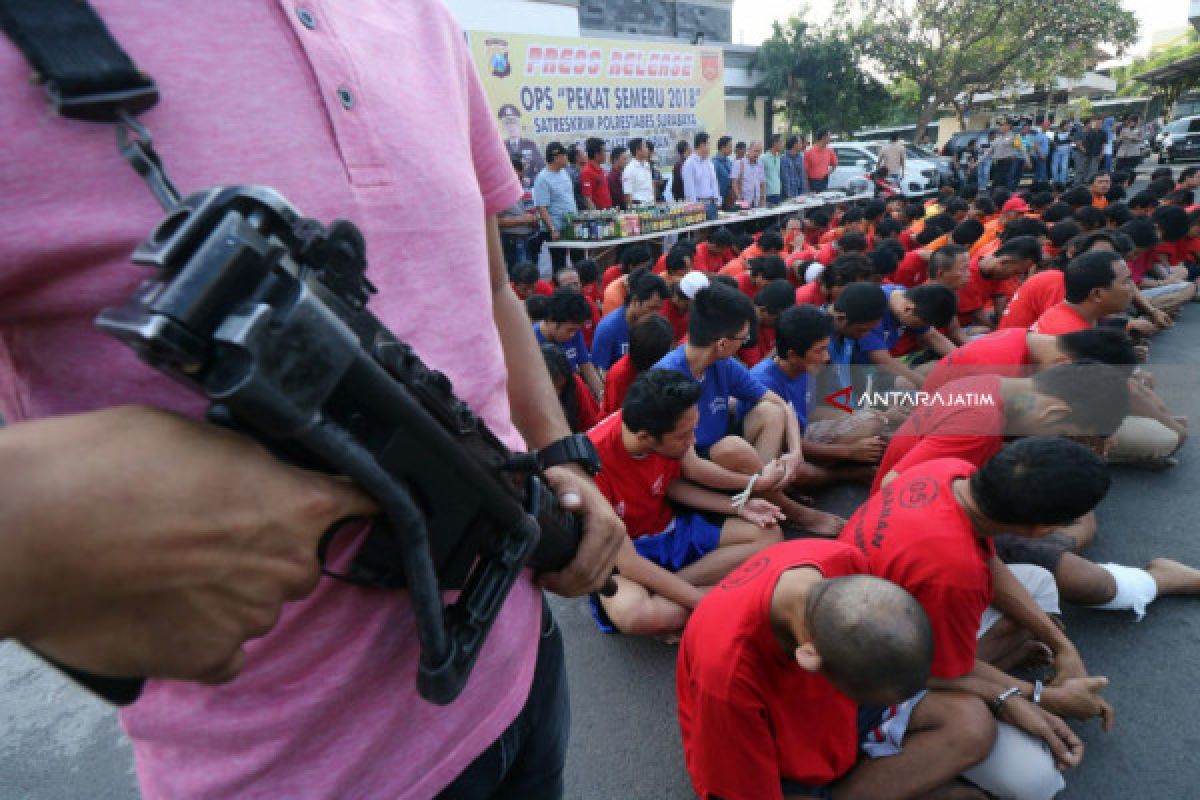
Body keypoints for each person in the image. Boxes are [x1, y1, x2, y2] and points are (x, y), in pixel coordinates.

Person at [0, 5, 626, 798]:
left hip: (520, 668)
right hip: (290, 770)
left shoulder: (424, 16)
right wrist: (28, 524)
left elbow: (491, 283)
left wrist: (563, 457)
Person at [845, 438, 1117, 800]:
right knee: (1037, 781)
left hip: (884, 613)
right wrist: (1044, 698)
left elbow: (988, 562)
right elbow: (931, 669)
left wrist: (1061, 645)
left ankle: (990, 675)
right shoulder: (951, 573)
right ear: (1041, 528)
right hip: (871, 672)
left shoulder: (949, 472)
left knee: (1039, 584)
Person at [678, 538, 995, 800]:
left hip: (842, 716)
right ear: (809, 659)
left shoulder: (844, 560)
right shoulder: (726, 673)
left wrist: (1007, 695)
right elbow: (738, 790)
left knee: (973, 726)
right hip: (775, 761)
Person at [586, 369, 785, 637]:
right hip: (625, 555)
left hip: (672, 530)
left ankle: (670, 592)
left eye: (693, 430)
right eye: (684, 436)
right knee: (635, 616)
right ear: (645, 438)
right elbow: (629, 563)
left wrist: (739, 506)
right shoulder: (590, 465)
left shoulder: (665, 423)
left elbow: (672, 485)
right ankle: (734, 596)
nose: (692, 441)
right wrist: (704, 605)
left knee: (769, 532)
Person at [654, 284, 844, 534]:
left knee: (770, 412)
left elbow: (778, 403)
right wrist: (757, 481)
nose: (745, 344)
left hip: (730, 460)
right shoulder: (668, 378)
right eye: (742, 339)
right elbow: (689, 467)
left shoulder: (722, 363)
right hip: (692, 474)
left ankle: (770, 493)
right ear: (722, 343)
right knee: (733, 447)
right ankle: (786, 505)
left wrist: (795, 452)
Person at [1032, 250, 1135, 335]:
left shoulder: (1067, 314)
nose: (1132, 288)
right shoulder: (1075, 341)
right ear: (1097, 294)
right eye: (1125, 282)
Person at [591, 269, 670, 370]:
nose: (655, 314)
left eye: (658, 309)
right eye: (652, 308)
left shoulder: (654, 325)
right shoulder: (608, 328)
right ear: (635, 300)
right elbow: (600, 372)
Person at [534, 289, 606, 400]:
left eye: (576, 330)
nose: (573, 334)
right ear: (550, 320)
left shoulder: (574, 331)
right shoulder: (532, 341)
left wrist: (603, 396)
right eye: (570, 330)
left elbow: (586, 366)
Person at [602, 314, 675, 416]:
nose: (670, 355)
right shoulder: (619, 376)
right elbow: (618, 420)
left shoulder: (666, 364)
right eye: (667, 352)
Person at [533, 141, 578, 271]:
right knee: (560, 264)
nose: (566, 158)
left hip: (571, 225)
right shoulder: (543, 178)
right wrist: (552, 229)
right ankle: (560, 289)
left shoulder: (564, 173)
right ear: (556, 157)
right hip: (556, 228)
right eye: (564, 156)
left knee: (578, 259)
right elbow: (542, 207)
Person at [541, 343, 603, 433]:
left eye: (561, 388)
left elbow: (592, 427)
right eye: (552, 389)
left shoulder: (575, 383)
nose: (557, 394)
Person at [738, 279, 796, 367]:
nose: (781, 322)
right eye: (778, 319)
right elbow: (754, 371)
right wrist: (782, 345)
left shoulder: (770, 320)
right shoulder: (745, 327)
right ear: (763, 311)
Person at [498, 157, 540, 270]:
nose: (518, 174)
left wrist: (535, 218)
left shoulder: (525, 189)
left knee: (532, 275)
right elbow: (495, 221)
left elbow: (533, 212)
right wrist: (522, 219)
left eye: (518, 170)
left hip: (530, 239)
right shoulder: (499, 192)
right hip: (513, 240)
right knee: (520, 278)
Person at [498, 102, 545, 184]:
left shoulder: (530, 145)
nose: (511, 127)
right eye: (507, 124)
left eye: (514, 123)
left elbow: (541, 168)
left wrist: (531, 180)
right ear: (503, 127)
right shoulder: (501, 147)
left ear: (519, 124)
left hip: (529, 188)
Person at [682, 132, 720, 219]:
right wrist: (694, 207)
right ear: (702, 145)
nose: (710, 147)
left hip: (712, 203)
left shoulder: (709, 162)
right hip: (698, 204)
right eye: (708, 144)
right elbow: (689, 188)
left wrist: (717, 201)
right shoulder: (690, 163)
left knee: (713, 231)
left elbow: (714, 183)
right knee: (701, 231)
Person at [580, 137, 612, 211]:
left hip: (607, 211)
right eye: (604, 151)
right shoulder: (587, 172)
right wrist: (596, 215)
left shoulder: (600, 169)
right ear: (597, 154)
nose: (606, 154)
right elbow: (587, 199)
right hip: (599, 215)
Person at [731, 140, 767, 208]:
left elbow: (763, 182)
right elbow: (734, 183)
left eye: (760, 152)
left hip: (757, 201)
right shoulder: (739, 163)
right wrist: (739, 199)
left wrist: (763, 198)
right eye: (756, 151)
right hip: (744, 201)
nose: (757, 154)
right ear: (749, 150)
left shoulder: (760, 164)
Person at [622, 137, 656, 207]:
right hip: (639, 208)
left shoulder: (647, 164)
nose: (647, 150)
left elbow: (650, 186)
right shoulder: (629, 169)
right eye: (645, 147)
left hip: (650, 205)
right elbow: (628, 195)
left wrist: (653, 202)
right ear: (638, 150)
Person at [1079, 118, 1107, 184]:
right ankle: (1083, 181)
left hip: (1097, 153)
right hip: (1088, 152)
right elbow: (1085, 141)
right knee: (1085, 167)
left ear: (1102, 124)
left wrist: (1101, 154)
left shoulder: (1104, 133)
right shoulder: (1090, 131)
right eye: (1097, 123)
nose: (1098, 124)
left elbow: (1104, 144)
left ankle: (1089, 182)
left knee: (1093, 169)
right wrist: (1083, 150)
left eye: (1100, 123)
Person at [780, 133, 809, 198]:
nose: (802, 145)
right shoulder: (784, 158)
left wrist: (804, 192)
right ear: (795, 145)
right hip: (789, 194)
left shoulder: (800, 157)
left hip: (799, 191)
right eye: (800, 143)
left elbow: (802, 176)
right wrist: (789, 195)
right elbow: (785, 178)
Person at [761, 133, 785, 205]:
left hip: (778, 193)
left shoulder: (779, 157)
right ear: (775, 143)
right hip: (768, 194)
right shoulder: (763, 158)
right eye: (781, 142)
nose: (783, 144)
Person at [713, 135, 735, 209]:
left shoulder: (729, 162)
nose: (732, 149)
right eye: (730, 146)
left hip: (730, 199)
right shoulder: (714, 163)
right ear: (723, 148)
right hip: (719, 201)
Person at [607, 145, 629, 210]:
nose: (627, 162)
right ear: (615, 160)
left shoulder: (622, 174)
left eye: (627, 159)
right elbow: (619, 198)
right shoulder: (612, 177)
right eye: (624, 159)